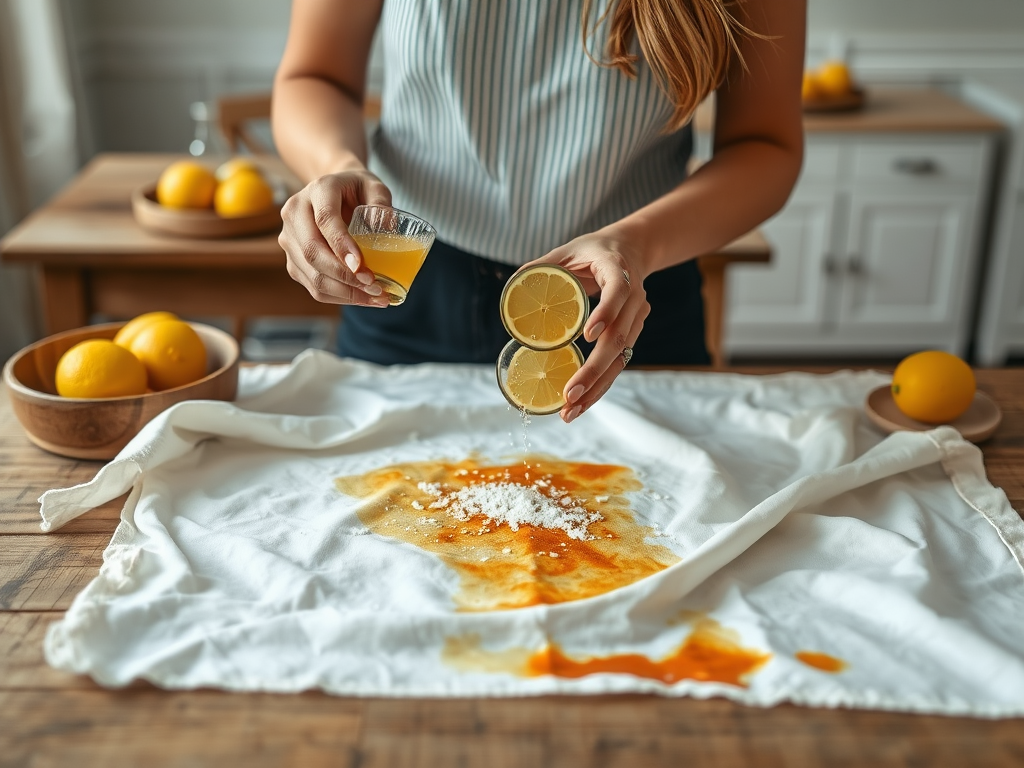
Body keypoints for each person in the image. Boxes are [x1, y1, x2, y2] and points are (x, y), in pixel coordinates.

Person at [272, 0, 805, 423]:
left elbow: (765, 144)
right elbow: (316, 75)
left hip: (624, 303)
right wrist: (335, 164)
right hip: (409, 289)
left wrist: (638, 242)